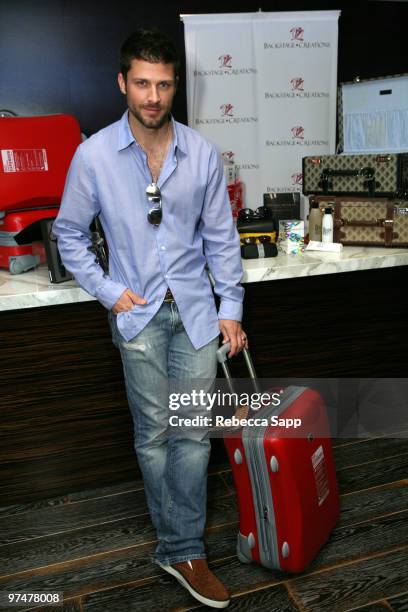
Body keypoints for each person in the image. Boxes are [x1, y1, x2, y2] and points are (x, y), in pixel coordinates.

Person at [53, 28, 246, 609]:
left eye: (163, 84)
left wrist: (231, 309)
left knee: (191, 436)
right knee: (155, 437)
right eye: (142, 83)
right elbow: (69, 236)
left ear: (175, 86)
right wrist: (110, 292)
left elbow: (222, 240)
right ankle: (174, 545)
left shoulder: (203, 153)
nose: (153, 96)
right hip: (136, 319)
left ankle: (183, 548)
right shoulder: (92, 156)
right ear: (123, 83)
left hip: (195, 316)